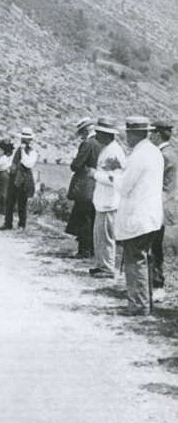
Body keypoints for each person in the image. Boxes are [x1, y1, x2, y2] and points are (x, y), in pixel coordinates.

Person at [114, 117, 164, 316]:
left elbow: (124, 186)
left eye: (128, 134)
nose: (127, 137)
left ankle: (138, 305)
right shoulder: (154, 152)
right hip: (151, 216)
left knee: (135, 260)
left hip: (138, 217)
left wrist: (115, 174)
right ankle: (145, 301)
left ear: (134, 134)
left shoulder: (139, 155)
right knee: (144, 259)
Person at [87, 117, 126, 278]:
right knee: (100, 236)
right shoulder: (107, 149)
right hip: (102, 201)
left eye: (100, 133)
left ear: (107, 134)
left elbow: (114, 179)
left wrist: (95, 174)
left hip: (109, 201)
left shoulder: (115, 152)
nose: (97, 136)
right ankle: (102, 264)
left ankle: (108, 267)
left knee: (106, 236)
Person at [65, 118, 103, 259]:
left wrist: (74, 162)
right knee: (92, 217)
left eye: (81, 132)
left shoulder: (87, 144)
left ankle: (84, 250)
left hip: (86, 185)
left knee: (83, 218)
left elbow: (76, 165)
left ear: (85, 130)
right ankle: (92, 249)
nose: (80, 135)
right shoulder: (101, 142)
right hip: (98, 184)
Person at [150, 120, 177, 295]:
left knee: (153, 246)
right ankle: (157, 283)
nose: (150, 136)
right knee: (156, 245)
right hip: (167, 205)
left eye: (152, 133)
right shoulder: (172, 153)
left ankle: (156, 284)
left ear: (158, 134)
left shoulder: (161, 155)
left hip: (157, 205)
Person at [2, 127, 37, 230]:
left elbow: (27, 163)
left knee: (22, 202)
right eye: (23, 138)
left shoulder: (32, 152)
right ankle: (8, 223)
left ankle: (22, 224)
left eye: (27, 139)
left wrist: (23, 150)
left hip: (24, 179)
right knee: (9, 201)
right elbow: (12, 161)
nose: (24, 140)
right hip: (13, 177)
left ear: (30, 140)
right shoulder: (18, 149)